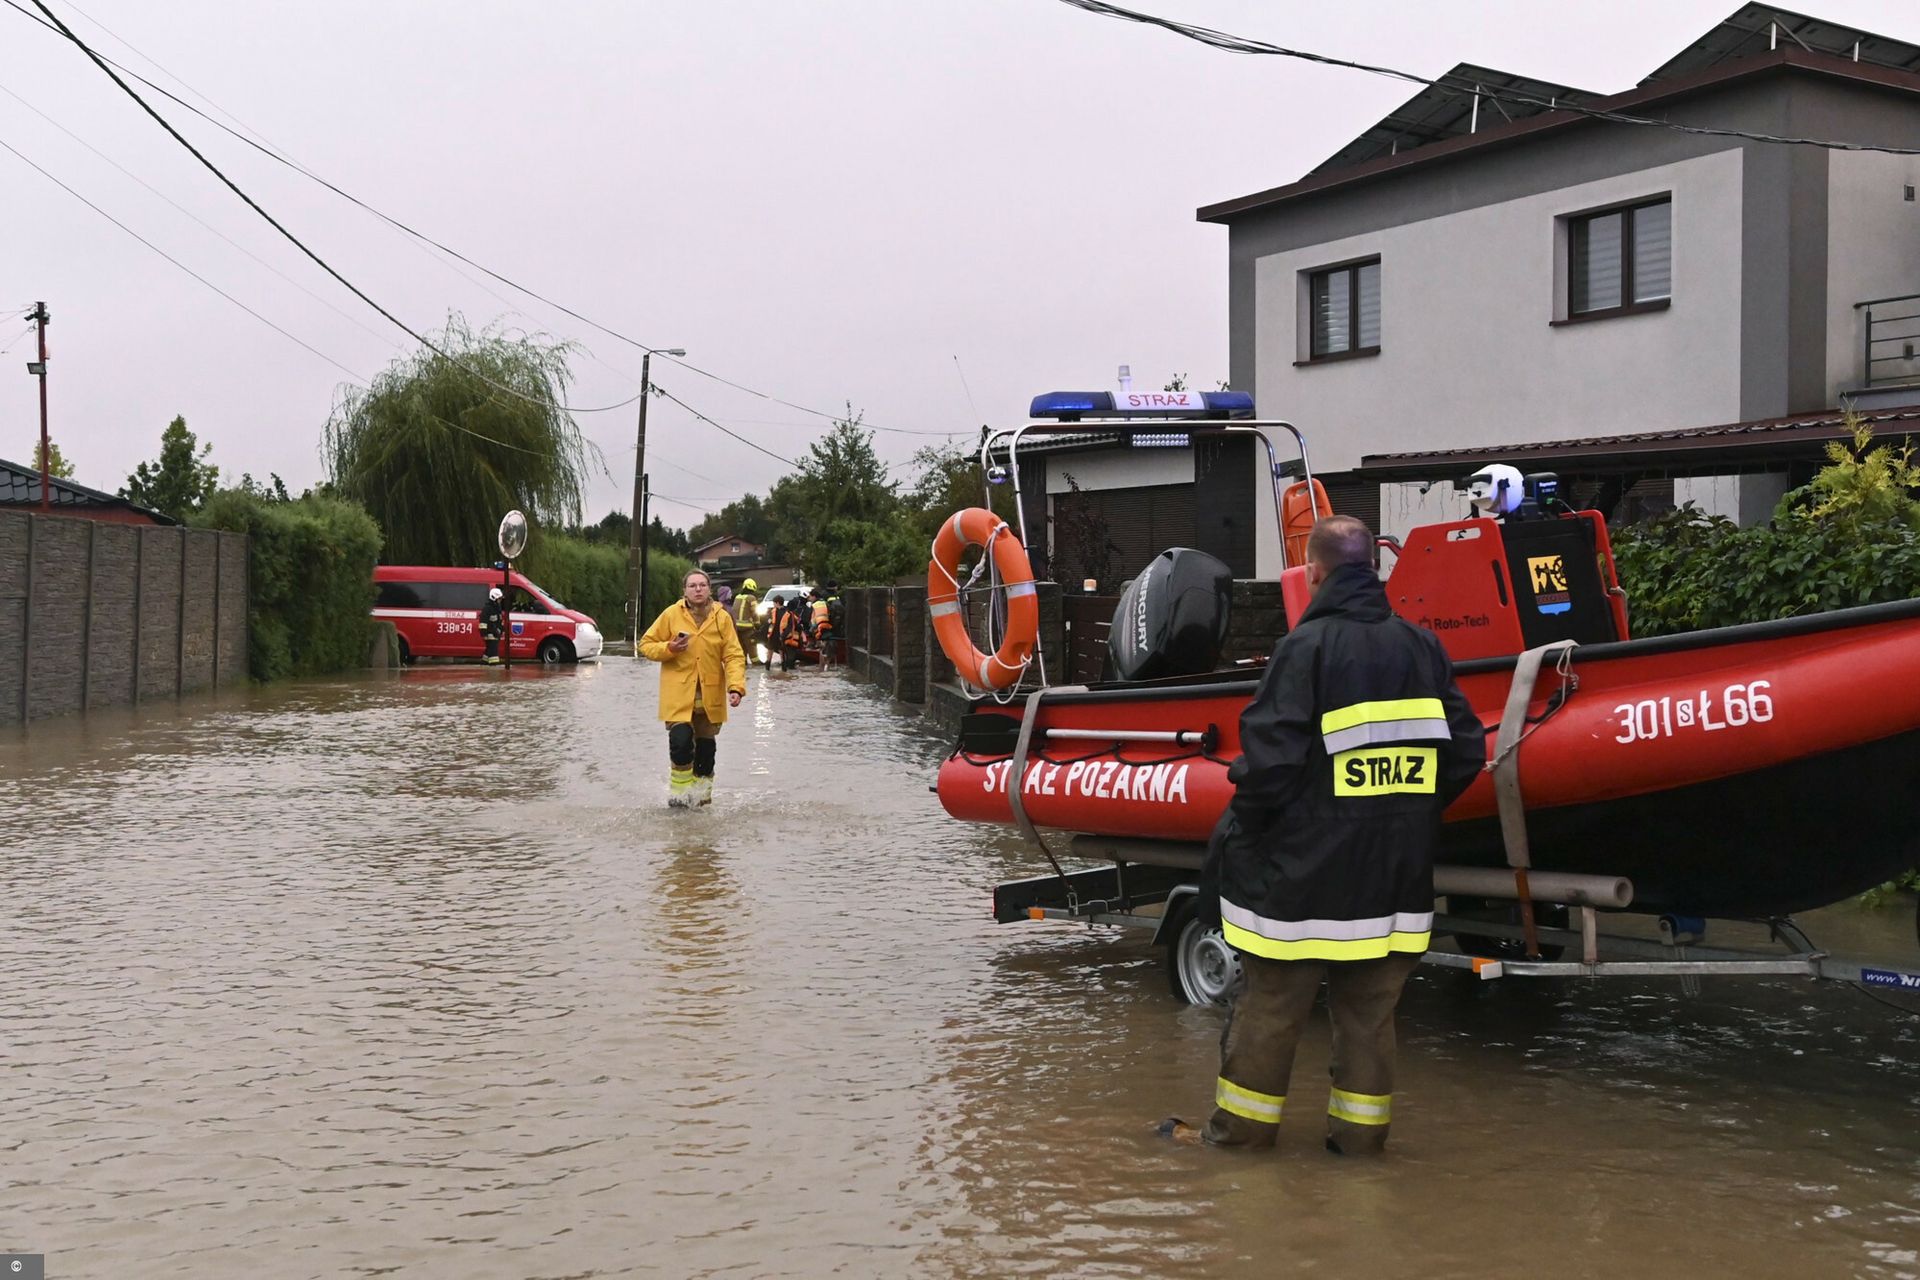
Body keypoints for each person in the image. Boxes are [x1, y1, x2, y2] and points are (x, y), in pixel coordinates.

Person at [1170, 515, 1484, 1156]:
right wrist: (1407, 814)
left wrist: (1252, 831)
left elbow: (1269, 767)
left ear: (1314, 572)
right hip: (1394, 882)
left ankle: (1237, 1149)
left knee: (1271, 1014)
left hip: (1303, 884)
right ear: (1373, 568)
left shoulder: (1305, 649)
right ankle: (1360, 1155)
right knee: (1369, 1022)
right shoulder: (1421, 648)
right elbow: (1464, 752)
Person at [638, 569, 747, 808]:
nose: (697, 589)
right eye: (692, 586)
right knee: (681, 742)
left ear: (709, 589)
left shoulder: (722, 617)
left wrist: (736, 687)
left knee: (706, 753)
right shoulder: (670, 614)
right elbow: (646, 645)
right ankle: (678, 799)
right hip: (678, 695)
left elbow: (733, 654)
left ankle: (702, 801)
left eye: (702, 585)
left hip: (710, 696)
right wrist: (670, 648)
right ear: (684, 590)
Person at [480, 585, 506, 664]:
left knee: (489, 650)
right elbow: (483, 622)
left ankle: (484, 664)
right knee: (494, 653)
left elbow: (499, 620)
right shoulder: (487, 609)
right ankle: (494, 670)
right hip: (490, 633)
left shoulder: (497, 608)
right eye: (499, 599)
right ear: (494, 598)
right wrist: (484, 633)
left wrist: (502, 629)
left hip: (496, 632)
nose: (500, 600)